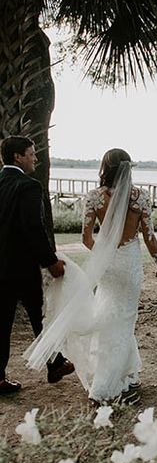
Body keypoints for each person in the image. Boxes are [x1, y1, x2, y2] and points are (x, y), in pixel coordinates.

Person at [25, 148, 157, 404]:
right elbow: (149, 237)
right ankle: (103, 386)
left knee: (110, 317)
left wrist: (104, 254)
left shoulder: (94, 197)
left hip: (107, 266)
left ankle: (126, 370)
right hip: (131, 265)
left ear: (105, 168)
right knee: (124, 319)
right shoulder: (141, 198)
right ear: (128, 169)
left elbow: (86, 238)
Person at [0, 136, 75, 395]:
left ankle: (0, 378)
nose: (35, 158)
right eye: (31, 154)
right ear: (17, 157)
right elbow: (33, 228)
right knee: (39, 315)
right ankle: (54, 363)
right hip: (21, 267)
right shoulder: (28, 186)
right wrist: (51, 262)